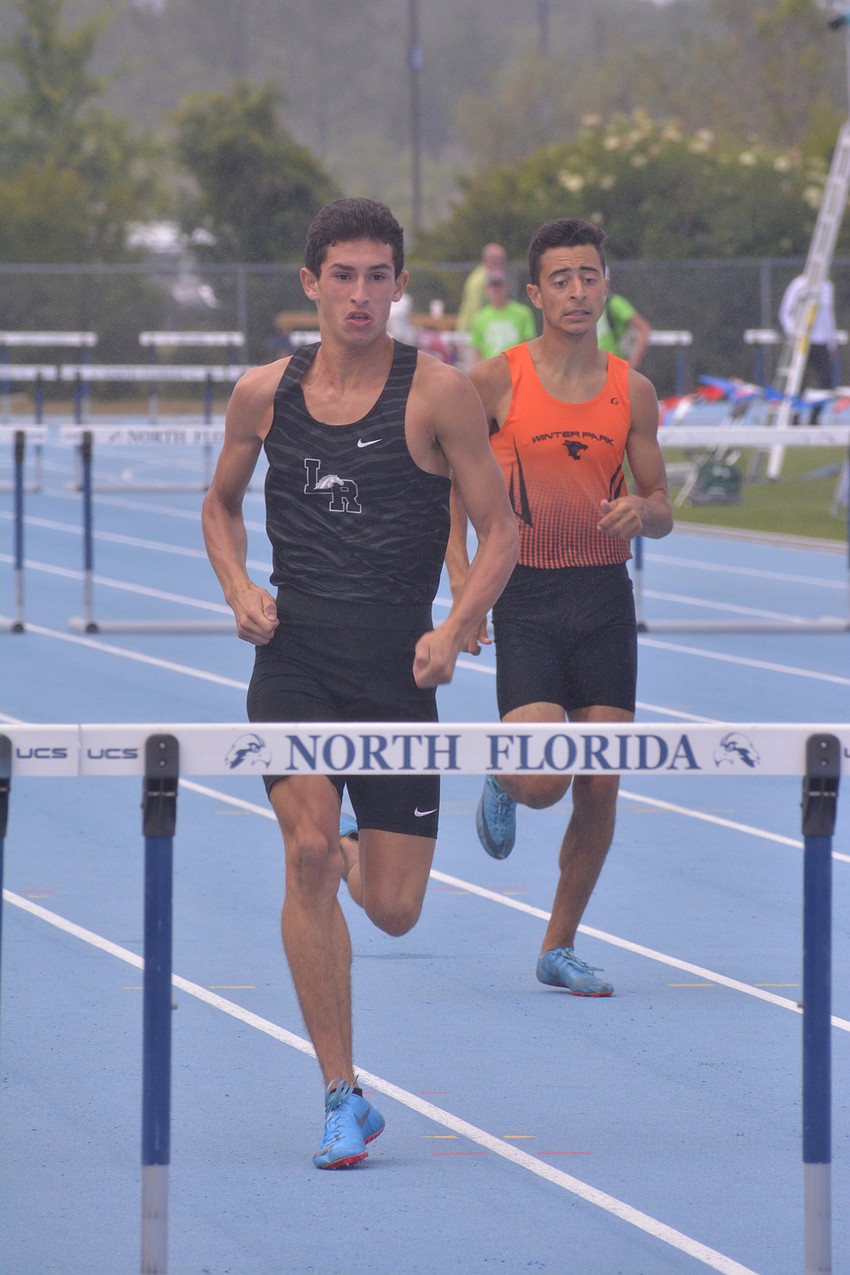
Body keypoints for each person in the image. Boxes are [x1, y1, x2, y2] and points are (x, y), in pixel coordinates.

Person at [202, 198, 518, 1169]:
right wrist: (239, 588)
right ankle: (341, 1092)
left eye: (378, 276)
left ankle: (350, 848)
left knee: (393, 908)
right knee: (304, 853)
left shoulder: (439, 394)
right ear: (311, 283)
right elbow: (218, 506)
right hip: (294, 662)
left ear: (399, 285)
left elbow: (501, 530)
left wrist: (454, 627)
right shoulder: (263, 393)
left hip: (395, 672)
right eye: (342, 275)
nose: (360, 294)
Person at [447, 217, 673, 997]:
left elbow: (662, 503)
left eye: (590, 276)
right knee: (545, 780)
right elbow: (450, 485)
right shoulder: (494, 380)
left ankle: (559, 945)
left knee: (600, 783)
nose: (578, 291)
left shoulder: (632, 390)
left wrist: (643, 512)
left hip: (604, 596)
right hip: (529, 594)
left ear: (606, 285)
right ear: (535, 294)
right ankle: (504, 775)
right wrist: (464, 583)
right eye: (561, 279)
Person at [778, 273, 838, 424]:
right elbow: (785, 312)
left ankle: (814, 417)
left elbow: (828, 316)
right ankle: (794, 417)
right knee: (798, 380)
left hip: (820, 341)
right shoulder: (798, 284)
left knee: (827, 380)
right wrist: (794, 333)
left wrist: (831, 343)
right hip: (801, 341)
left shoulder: (827, 286)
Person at [470, 272, 537, 361]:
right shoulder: (480, 318)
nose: (496, 290)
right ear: (486, 290)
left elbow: (529, 343)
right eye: (492, 286)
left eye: (499, 286)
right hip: (491, 366)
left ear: (507, 287)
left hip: (516, 364)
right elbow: (478, 350)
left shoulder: (523, 313)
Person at [455, 242, 508, 334]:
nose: (501, 263)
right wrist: (478, 330)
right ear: (490, 259)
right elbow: (475, 307)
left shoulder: (485, 276)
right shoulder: (479, 280)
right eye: (500, 260)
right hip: (472, 330)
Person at [596, 290, 652, 368]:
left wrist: (631, 366)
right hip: (590, 369)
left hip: (614, 367)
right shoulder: (584, 308)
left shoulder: (613, 303)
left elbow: (644, 329)